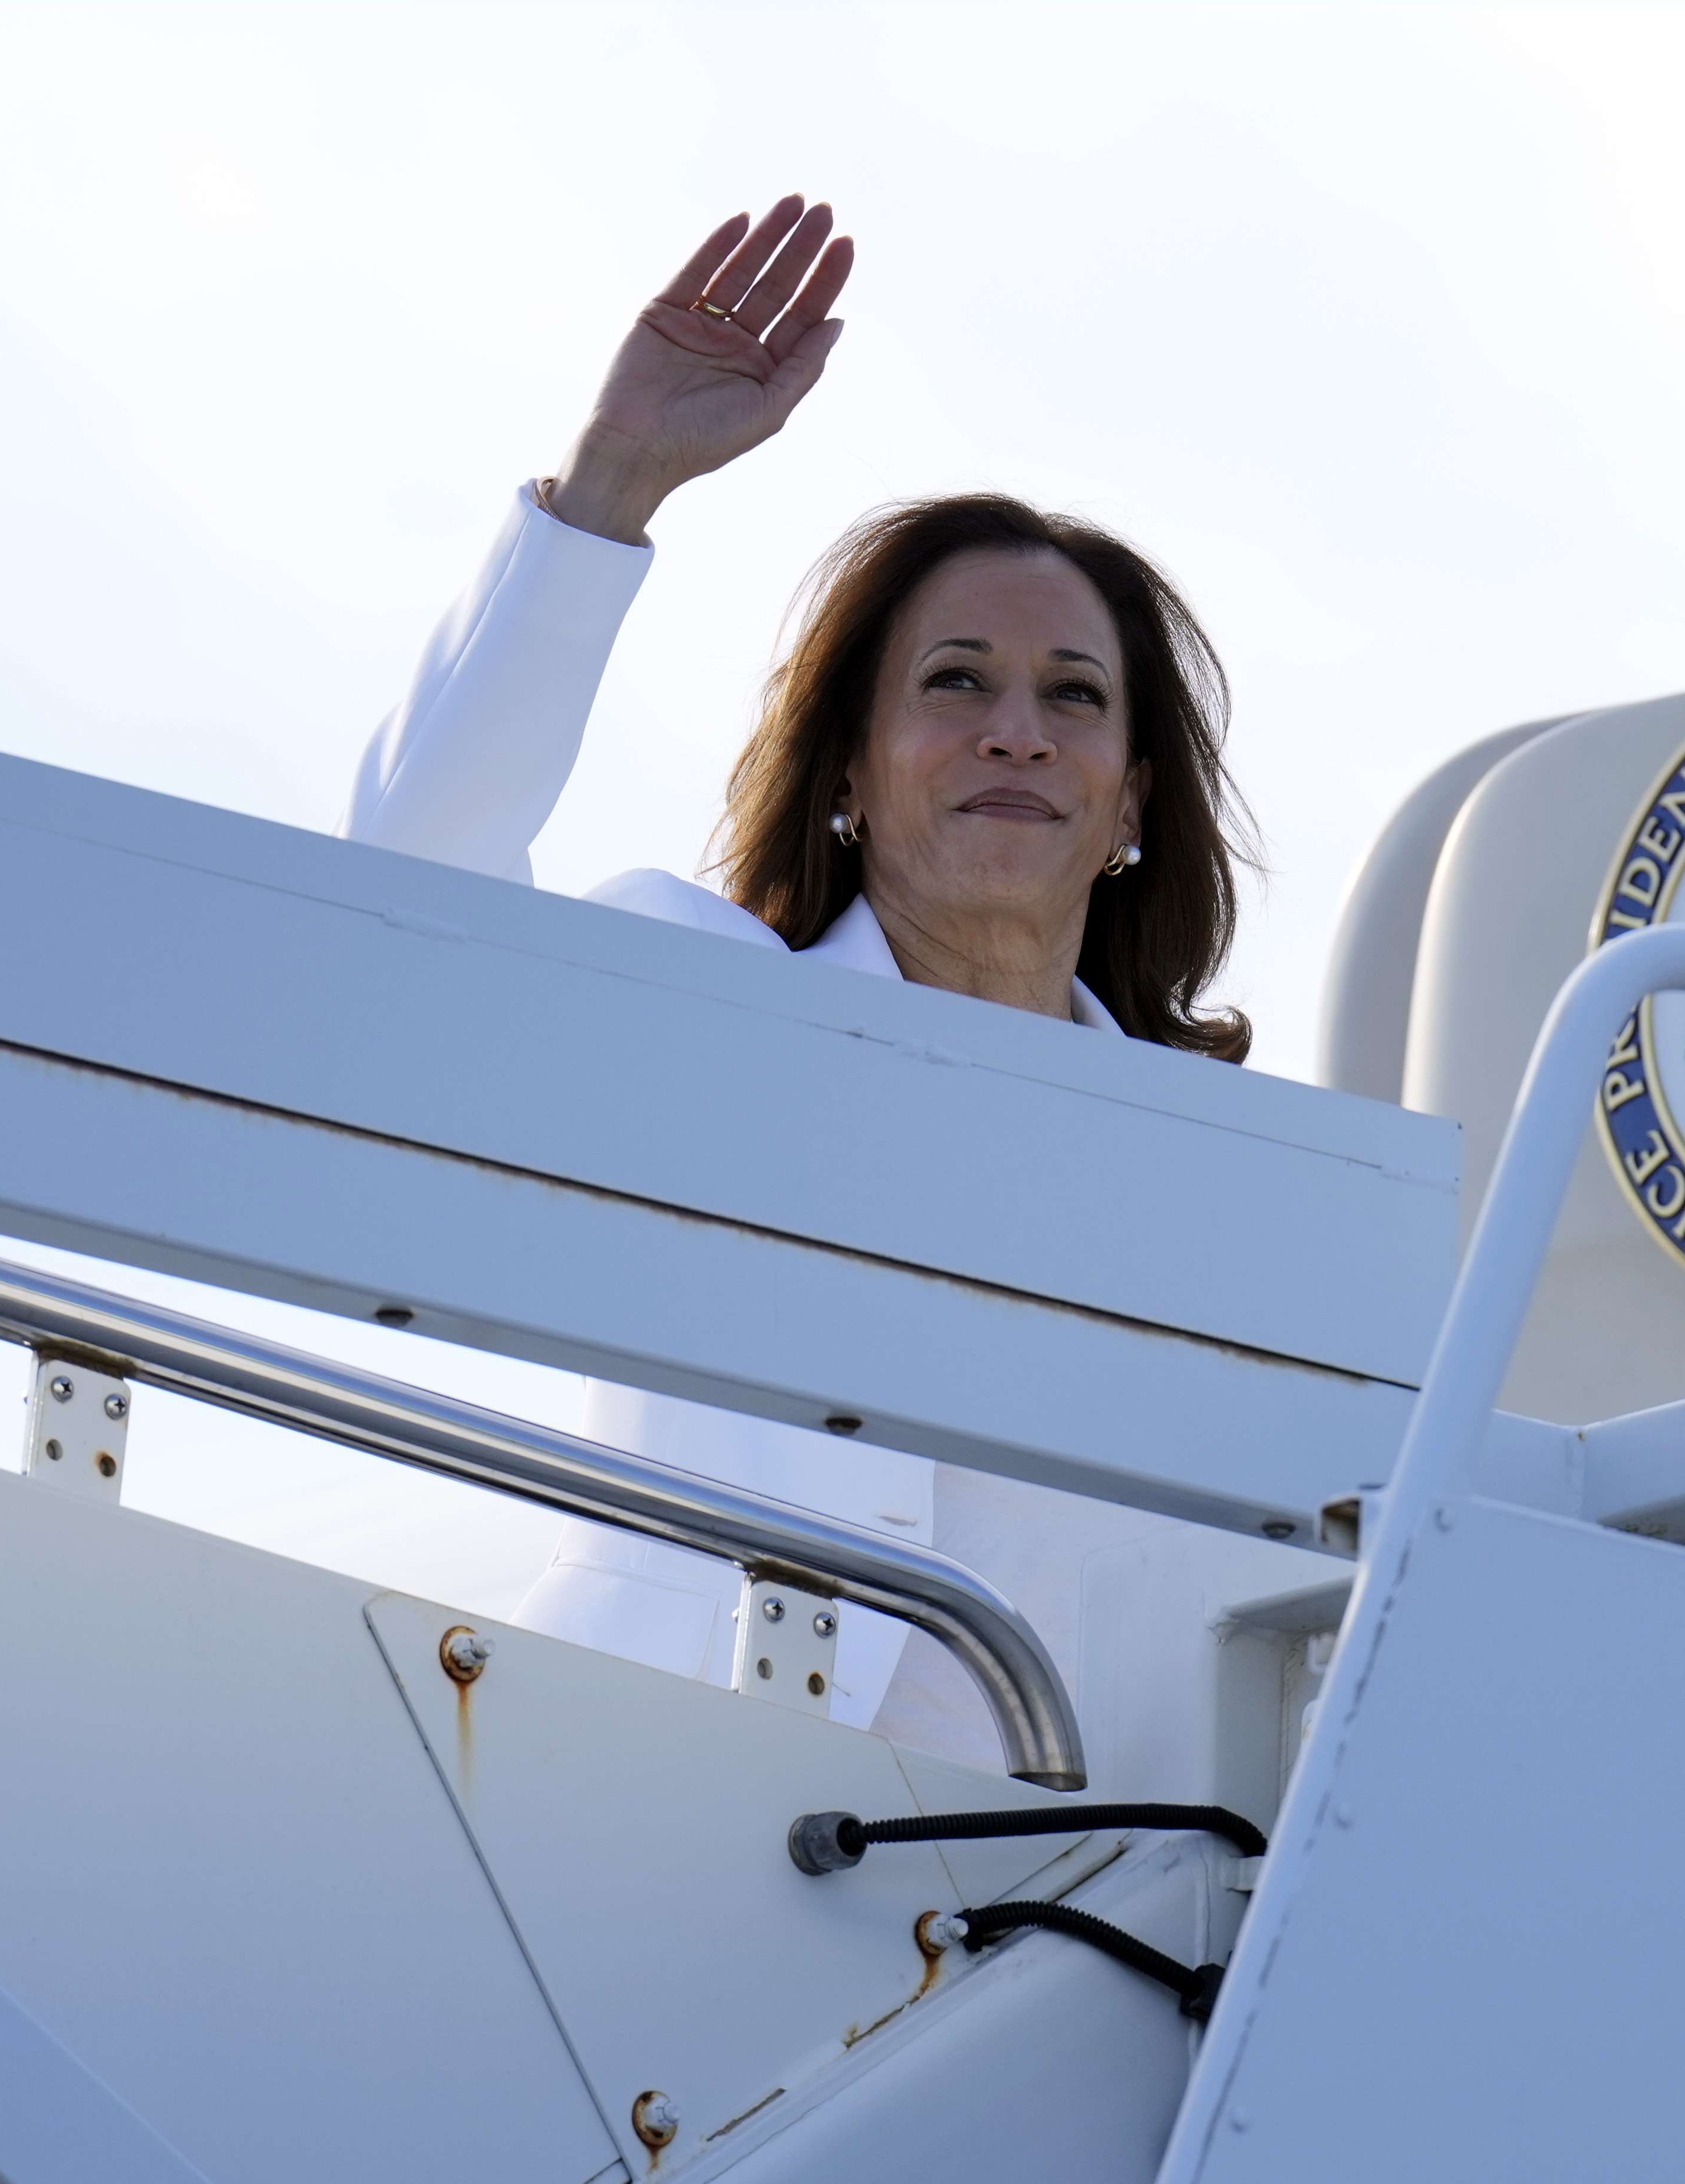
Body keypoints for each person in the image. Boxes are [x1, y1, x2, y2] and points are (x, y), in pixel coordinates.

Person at [343, 198, 1252, 1773]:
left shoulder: (1228, 1180)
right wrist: (610, 486)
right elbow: (397, 916)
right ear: (848, 770)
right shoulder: (705, 1007)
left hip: (1068, 1914)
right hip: (658, 1823)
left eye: (1074, 697)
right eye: (955, 682)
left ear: (1132, 802)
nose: (1017, 732)